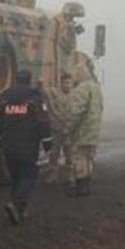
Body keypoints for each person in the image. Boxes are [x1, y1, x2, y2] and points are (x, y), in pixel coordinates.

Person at [0, 69, 52, 225]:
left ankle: (19, 210)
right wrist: (48, 144)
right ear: (29, 80)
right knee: (29, 176)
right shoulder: (35, 98)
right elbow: (43, 122)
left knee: (16, 177)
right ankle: (15, 204)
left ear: (16, 80)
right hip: (28, 145)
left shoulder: (5, 97)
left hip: (9, 145)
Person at [66, 56, 104, 197]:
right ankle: (86, 186)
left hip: (82, 131)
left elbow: (76, 111)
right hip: (93, 130)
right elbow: (100, 107)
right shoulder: (96, 88)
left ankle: (80, 187)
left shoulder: (81, 89)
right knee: (89, 158)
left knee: (79, 158)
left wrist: (68, 128)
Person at [43, 73, 75, 185]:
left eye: (70, 83)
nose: (68, 85)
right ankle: (53, 174)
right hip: (56, 129)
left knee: (70, 154)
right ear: (61, 83)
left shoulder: (75, 96)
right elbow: (44, 91)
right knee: (54, 153)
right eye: (66, 83)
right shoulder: (54, 93)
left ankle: (71, 175)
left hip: (69, 130)